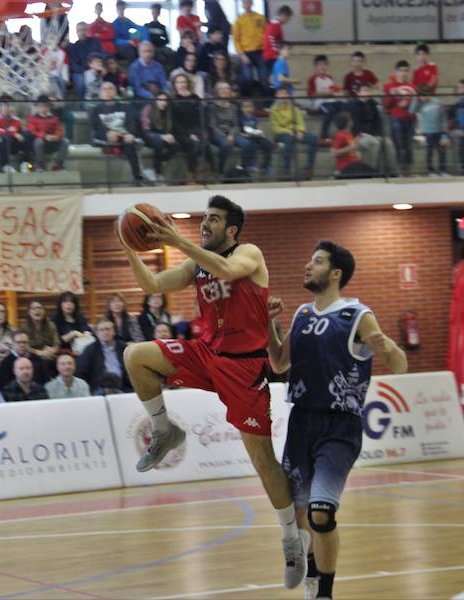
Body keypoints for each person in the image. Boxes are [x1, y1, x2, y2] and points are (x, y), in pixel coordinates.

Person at [121, 195, 310, 591]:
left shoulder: (249, 254)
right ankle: (164, 429)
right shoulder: (196, 264)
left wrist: (176, 241)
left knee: (262, 461)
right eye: (204, 217)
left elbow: (225, 267)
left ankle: (292, 538)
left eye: (214, 219)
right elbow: (152, 284)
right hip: (207, 355)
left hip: (245, 368)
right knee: (135, 355)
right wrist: (130, 246)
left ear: (232, 230)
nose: (205, 224)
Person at [267, 241, 407, 600]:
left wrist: (385, 346)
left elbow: (399, 364)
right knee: (301, 516)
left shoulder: (357, 314)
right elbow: (280, 364)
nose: (307, 266)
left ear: (335, 273)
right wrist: (270, 326)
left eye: (316, 261)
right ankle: (312, 580)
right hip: (301, 422)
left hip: (338, 426)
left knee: (321, 515)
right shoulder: (301, 313)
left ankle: (325, 593)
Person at [90, 81, 144, 185]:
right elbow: (96, 127)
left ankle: (138, 178)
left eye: (110, 88)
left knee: (131, 144)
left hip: (123, 136)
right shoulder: (96, 109)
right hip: (105, 137)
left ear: (115, 92)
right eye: (104, 89)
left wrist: (130, 133)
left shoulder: (125, 107)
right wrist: (107, 133)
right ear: (100, 93)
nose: (107, 92)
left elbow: (131, 122)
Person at [271, 87, 316, 179]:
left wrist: (300, 131)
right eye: (280, 94)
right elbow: (276, 128)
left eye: (285, 94)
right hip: (281, 133)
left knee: (313, 138)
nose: (283, 96)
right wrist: (288, 131)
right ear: (276, 96)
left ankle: (309, 168)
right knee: (289, 139)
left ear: (288, 95)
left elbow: (300, 122)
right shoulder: (273, 110)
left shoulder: (294, 108)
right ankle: (286, 170)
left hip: (295, 131)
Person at [77, 319, 132, 394]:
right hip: (100, 388)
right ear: (96, 333)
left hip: (123, 387)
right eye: (101, 330)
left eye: (108, 329)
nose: (105, 332)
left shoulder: (123, 347)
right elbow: (81, 372)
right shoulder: (90, 349)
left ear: (114, 331)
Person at [383, 60, 417, 176]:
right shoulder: (389, 86)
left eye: (406, 71)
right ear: (396, 72)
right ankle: (399, 171)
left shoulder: (413, 86)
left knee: (409, 146)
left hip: (410, 119)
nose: (404, 73)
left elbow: (416, 103)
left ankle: (409, 171)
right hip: (396, 118)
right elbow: (386, 105)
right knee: (399, 145)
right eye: (401, 70)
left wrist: (408, 103)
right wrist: (392, 95)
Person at [410, 84, 449, 176]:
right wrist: (416, 99)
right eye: (421, 96)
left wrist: (444, 134)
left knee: (442, 152)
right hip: (427, 132)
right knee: (429, 152)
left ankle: (443, 170)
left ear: (429, 94)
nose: (423, 98)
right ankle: (430, 171)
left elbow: (443, 118)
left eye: (424, 95)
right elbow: (411, 111)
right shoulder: (420, 104)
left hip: (439, 131)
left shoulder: (438, 102)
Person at [306, 55, 346, 142]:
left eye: (324, 64)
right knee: (330, 110)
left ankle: (348, 134)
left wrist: (336, 93)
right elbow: (311, 95)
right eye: (319, 64)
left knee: (347, 106)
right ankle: (323, 135)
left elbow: (333, 91)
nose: (322, 66)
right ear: (315, 66)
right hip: (320, 104)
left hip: (332, 101)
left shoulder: (330, 78)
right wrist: (324, 93)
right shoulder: (312, 79)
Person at [141, 92, 178, 182]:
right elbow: (146, 131)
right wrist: (161, 137)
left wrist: (170, 136)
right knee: (159, 144)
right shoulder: (148, 109)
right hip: (148, 136)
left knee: (175, 145)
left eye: (165, 100)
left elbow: (170, 127)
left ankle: (160, 163)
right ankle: (157, 172)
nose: (163, 103)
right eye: (160, 100)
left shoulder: (168, 110)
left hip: (163, 135)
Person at [26, 95, 69, 171]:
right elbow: (32, 131)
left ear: (49, 107)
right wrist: (45, 136)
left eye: (45, 106)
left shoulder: (54, 118)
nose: (43, 108)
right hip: (40, 141)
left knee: (65, 141)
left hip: (52, 141)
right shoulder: (32, 118)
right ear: (37, 107)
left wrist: (56, 136)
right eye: (40, 106)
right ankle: (40, 164)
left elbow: (59, 130)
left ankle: (58, 165)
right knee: (38, 142)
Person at [207, 81, 240, 179]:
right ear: (216, 91)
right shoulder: (212, 106)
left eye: (227, 89)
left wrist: (231, 135)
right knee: (225, 144)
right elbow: (212, 125)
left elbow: (235, 124)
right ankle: (220, 172)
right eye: (221, 89)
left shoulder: (233, 107)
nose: (224, 91)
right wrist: (225, 136)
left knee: (247, 144)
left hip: (231, 133)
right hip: (217, 134)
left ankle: (244, 170)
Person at [233, 0, 267, 97]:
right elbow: (236, 40)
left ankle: (267, 104)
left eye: (248, 2)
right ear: (242, 5)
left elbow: (266, 35)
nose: (247, 5)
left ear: (252, 3)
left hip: (260, 52)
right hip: (246, 53)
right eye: (245, 3)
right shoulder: (239, 20)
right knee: (248, 79)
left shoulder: (260, 18)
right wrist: (242, 54)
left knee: (264, 78)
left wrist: (265, 51)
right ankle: (249, 104)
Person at [0, 95, 30, 174]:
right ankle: (5, 165)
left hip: (12, 145)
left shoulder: (15, 119)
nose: (6, 108)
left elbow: (17, 133)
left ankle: (25, 163)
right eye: (3, 105)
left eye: (9, 105)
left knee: (26, 134)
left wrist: (15, 134)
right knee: (5, 137)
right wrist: (13, 133)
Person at [67, 22, 104, 100]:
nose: (82, 32)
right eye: (79, 30)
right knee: (80, 81)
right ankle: (82, 103)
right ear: (76, 32)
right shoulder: (73, 47)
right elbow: (74, 65)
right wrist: (87, 71)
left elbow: (102, 55)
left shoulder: (95, 42)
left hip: (97, 68)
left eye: (84, 30)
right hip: (80, 72)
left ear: (88, 30)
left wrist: (98, 67)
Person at [332, 113, 373, 179]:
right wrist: (351, 147)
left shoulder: (349, 134)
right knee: (372, 174)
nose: (352, 120)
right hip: (346, 167)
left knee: (373, 172)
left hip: (355, 164)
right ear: (348, 123)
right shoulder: (339, 135)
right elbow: (333, 153)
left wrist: (356, 143)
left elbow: (352, 149)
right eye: (350, 119)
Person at [23, 301, 60, 376]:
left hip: (49, 354)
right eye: (34, 308)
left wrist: (53, 350)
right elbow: (25, 346)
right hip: (32, 355)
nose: (37, 310)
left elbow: (57, 343)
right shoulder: (24, 327)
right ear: (29, 312)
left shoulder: (51, 325)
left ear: (44, 311)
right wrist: (39, 352)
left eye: (40, 308)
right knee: (41, 364)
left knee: (59, 362)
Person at [237, 98, 273, 175]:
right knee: (252, 145)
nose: (247, 109)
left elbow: (258, 126)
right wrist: (247, 135)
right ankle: (250, 165)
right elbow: (239, 131)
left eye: (249, 106)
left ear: (253, 108)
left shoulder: (254, 117)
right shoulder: (240, 118)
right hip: (247, 136)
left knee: (267, 144)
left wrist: (262, 133)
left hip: (256, 135)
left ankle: (266, 166)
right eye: (245, 107)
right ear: (241, 108)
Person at [262, 5, 292, 90]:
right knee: (276, 81)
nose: (287, 21)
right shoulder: (275, 25)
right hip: (272, 57)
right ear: (285, 16)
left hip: (270, 56)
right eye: (288, 18)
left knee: (273, 80)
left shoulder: (273, 24)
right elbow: (271, 41)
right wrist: (278, 53)